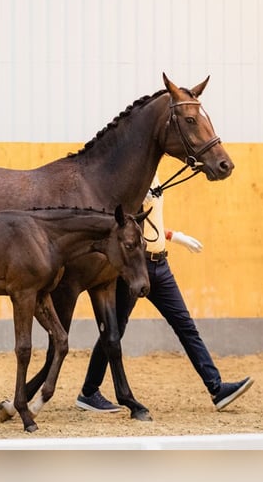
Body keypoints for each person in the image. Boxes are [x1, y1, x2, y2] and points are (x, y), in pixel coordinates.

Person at [75, 173, 253, 413]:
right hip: (138, 265)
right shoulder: (130, 175)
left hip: (161, 265)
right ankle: (89, 391)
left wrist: (174, 236)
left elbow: (155, 220)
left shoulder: (155, 175)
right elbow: (123, 224)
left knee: (184, 325)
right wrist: (136, 201)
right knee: (116, 328)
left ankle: (216, 388)